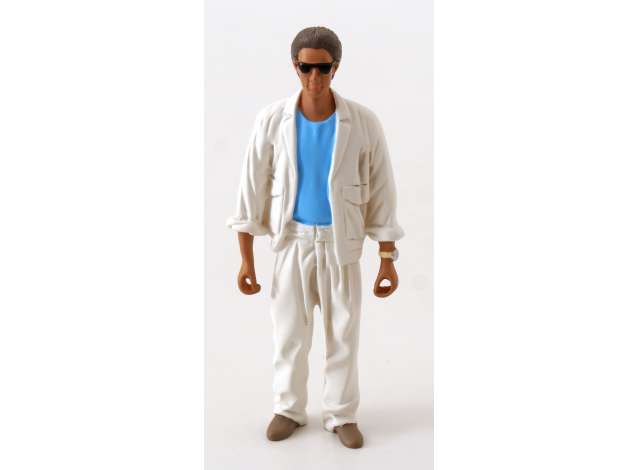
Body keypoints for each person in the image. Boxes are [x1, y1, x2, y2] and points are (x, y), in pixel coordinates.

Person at [225, 26, 404, 449]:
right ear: (295, 66)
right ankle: (288, 407)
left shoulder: (363, 122)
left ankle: (341, 413)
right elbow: (250, 189)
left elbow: (382, 190)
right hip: (292, 243)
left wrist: (387, 258)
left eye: (323, 68)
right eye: (306, 67)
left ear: (335, 68)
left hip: (342, 246)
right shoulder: (272, 120)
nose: (314, 77)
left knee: (343, 333)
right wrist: (246, 258)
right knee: (289, 333)